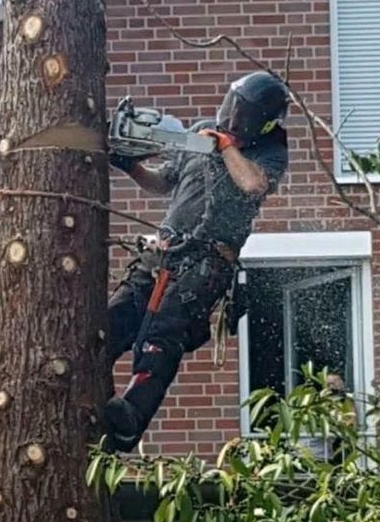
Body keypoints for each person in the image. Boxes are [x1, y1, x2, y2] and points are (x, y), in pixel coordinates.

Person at [105, 71, 290, 452]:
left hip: (206, 264)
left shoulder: (268, 151)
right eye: (232, 107)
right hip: (164, 252)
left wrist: (224, 148)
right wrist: (131, 167)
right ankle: (85, 395)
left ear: (261, 122)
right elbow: (163, 181)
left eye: (242, 115)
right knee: (111, 322)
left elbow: (253, 184)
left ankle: (129, 421)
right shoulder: (202, 131)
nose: (232, 118)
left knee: (160, 338)